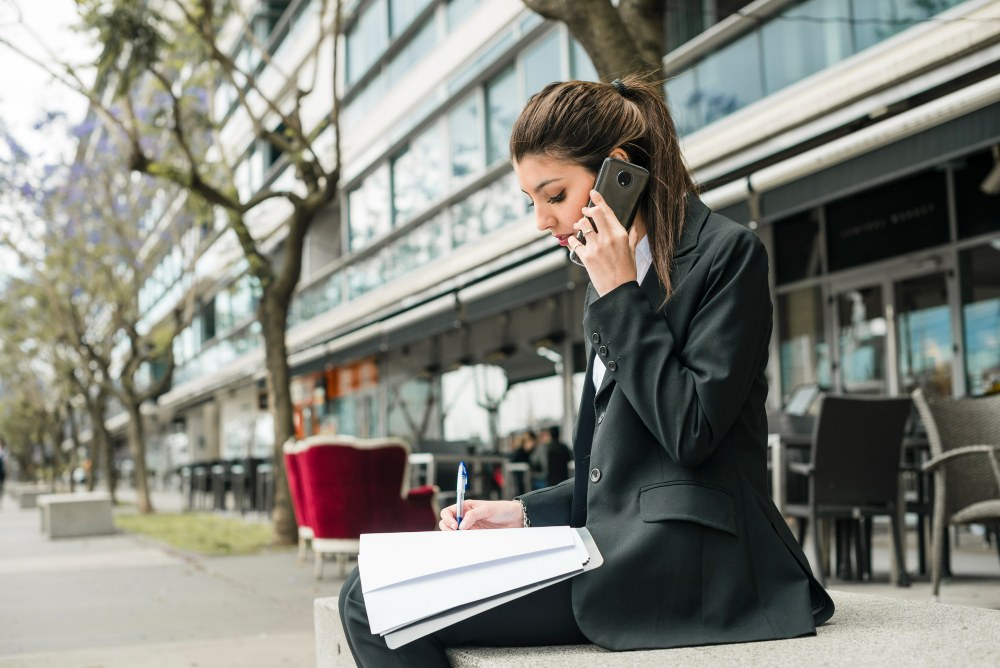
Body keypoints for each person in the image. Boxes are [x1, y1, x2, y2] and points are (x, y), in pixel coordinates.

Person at [340, 76, 834, 666]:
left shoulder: (727, 255)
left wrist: (620, 291)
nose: (541, 220)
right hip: (616, 544)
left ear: (615, 172)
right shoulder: (608, 283)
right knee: (373, 585)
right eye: (532, 202)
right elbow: (621, 466)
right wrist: (522, 512)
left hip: (690, 561)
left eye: (553, 195)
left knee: (374, 601)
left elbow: (691, 433)